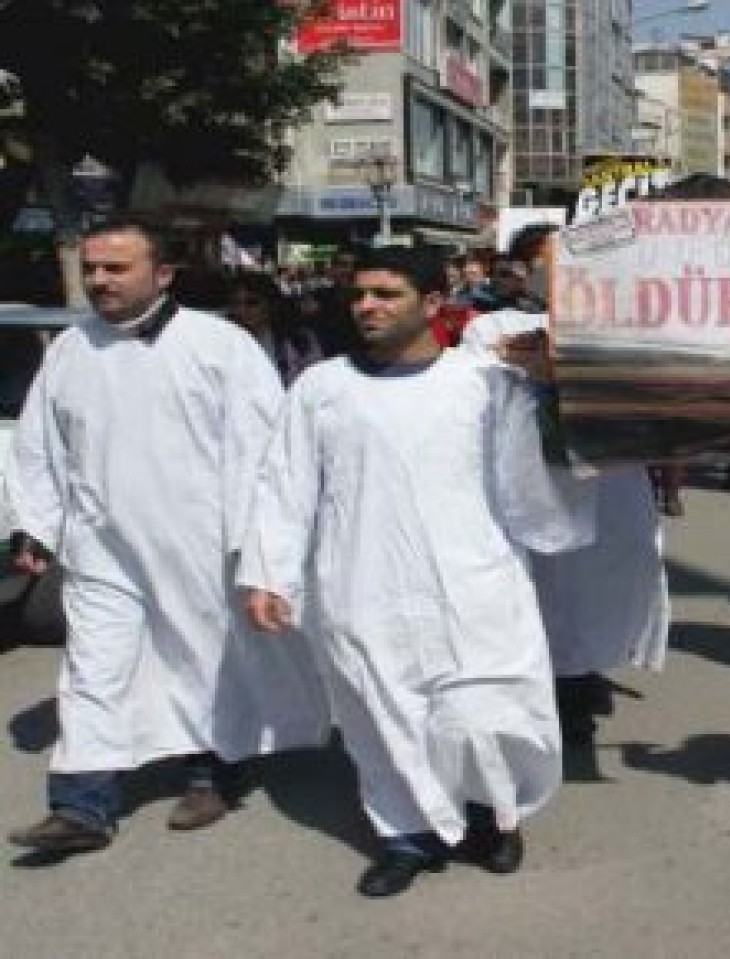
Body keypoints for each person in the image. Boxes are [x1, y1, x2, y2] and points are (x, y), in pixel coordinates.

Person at [238, 247, 595, 898]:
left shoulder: (486, 383)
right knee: (381, 711)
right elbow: (284, 486)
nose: (366, 306)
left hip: (472, 581)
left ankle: (491, 819)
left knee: (483, 710)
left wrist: (551, 390)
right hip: (360, 583)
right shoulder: (322, 388)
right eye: (359, 295)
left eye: (385, 294)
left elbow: (540, 474)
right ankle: (404, 834)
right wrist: (269, 573)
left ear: (432, 304)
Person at [4, 216, 329, 857]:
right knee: (95, 667)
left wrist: (255, 546)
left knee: (203, 658)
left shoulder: (220, 347)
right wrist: (35, 525)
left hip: (201, 542)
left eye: (115, 268)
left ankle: (212, 772)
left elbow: (263, 448)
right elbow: (37, 445)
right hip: (102, 545)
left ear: (163, 274)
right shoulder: (71, 349)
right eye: (92, 268)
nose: (99, 280)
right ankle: (82, 804)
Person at [461, 302, 670, 747]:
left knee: (601, 591)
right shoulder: (498, 326)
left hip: (610, 485)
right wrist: (528, 365)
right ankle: (554, 696)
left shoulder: (623, 329)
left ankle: (582, 678)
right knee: (540, 597)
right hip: (530, 489)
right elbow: (478, 381)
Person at [226, 270, 324, 385]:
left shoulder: (299, 340)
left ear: (270, 303)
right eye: (237, 303)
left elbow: (318, 383)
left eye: (252, 303)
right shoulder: (228, 343)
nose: (242, 310)